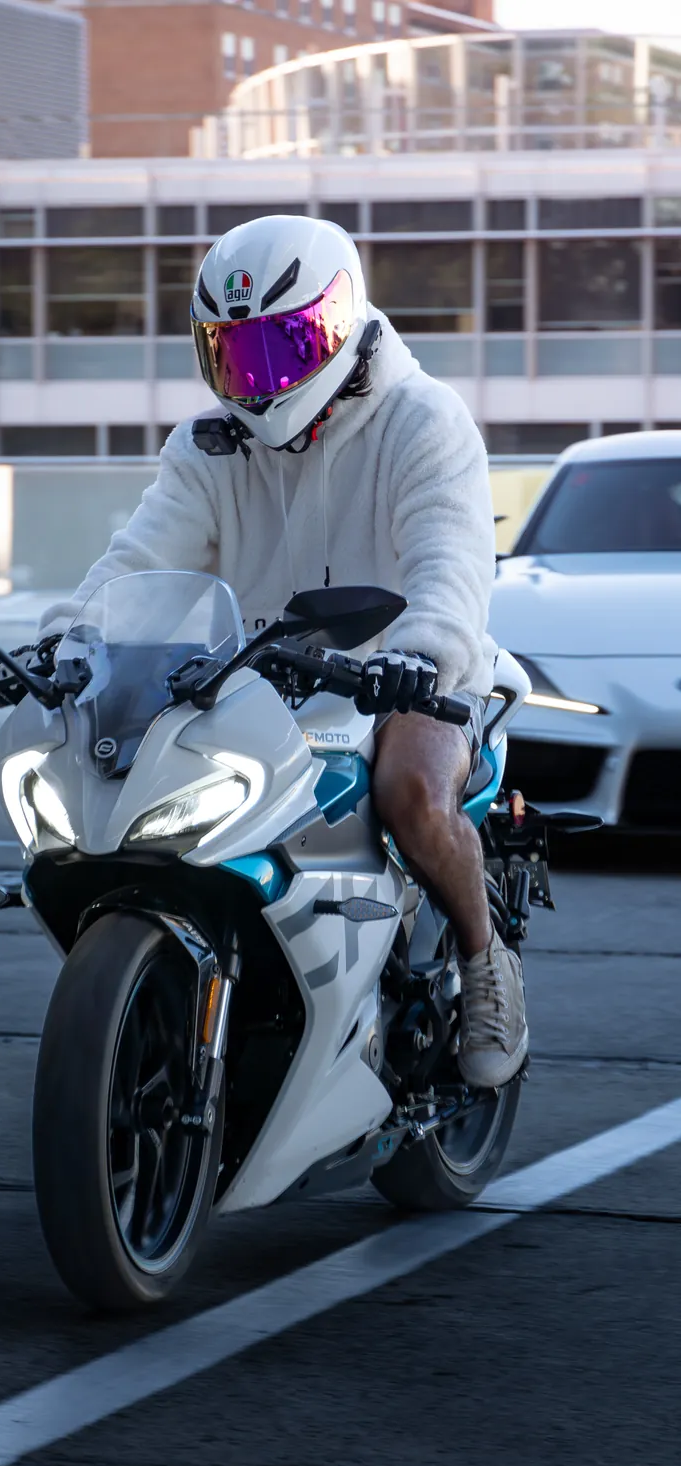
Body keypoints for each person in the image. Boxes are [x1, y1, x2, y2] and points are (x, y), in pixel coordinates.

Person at [34, 214, 527, 1089]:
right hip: (253, 680)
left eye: (281, 348)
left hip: (403, 676)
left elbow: (450, 559)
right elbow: (139, 560)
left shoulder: (421, 419)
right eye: (235, 355)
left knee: (411, 793)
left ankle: (486, 964)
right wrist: (70, 638)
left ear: (338, 320)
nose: (258, 380)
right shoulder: (208, 447)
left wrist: (421, 650)